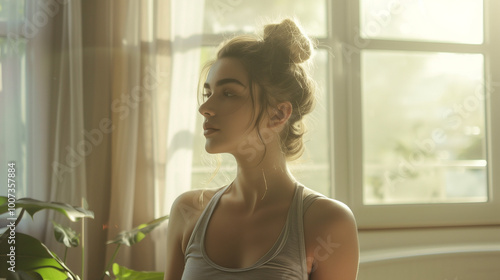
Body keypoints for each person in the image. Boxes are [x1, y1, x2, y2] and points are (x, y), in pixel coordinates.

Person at [164, 18, 359, 280]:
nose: (205, 108)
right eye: (208, 93)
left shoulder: (328, 222)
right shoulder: (188, 212)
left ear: (278, 114)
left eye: (229, 93)